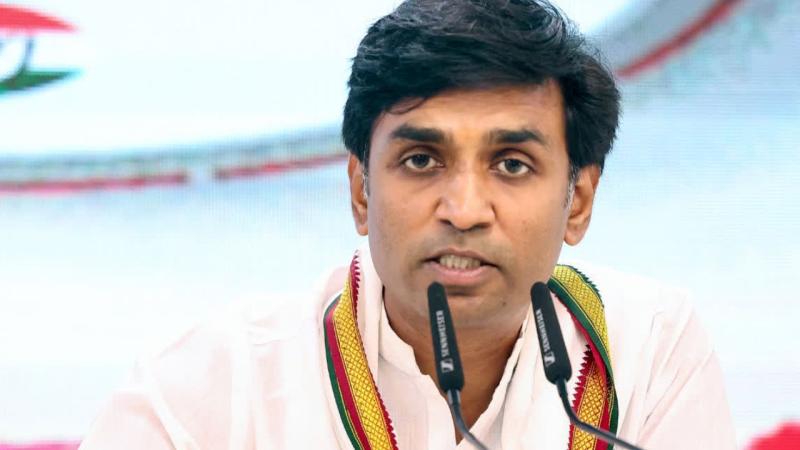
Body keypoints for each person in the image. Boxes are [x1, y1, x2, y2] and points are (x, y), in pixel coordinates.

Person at [79, 0, 736, 449]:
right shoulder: (211, 384)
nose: (464, 210)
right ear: (361, 190)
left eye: (511, 165)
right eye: (422, 160)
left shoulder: (649, 352)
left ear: (580, 200)